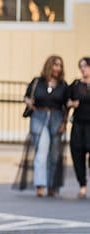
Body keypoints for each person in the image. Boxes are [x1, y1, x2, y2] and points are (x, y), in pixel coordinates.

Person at [16, 54, 69, 198]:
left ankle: (52, 185)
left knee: (54, 155)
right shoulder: (37, 82)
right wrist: (28, 102)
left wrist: (64, 123)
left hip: (56, 118)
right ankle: (40, 184)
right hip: (39, 117)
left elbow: (66, 105)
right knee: (41, 151)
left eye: (60, 65)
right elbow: (27, 96)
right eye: (55, 64)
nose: (57, 68)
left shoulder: (63, 85)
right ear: (49, 65)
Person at [67, 56, 90, 200]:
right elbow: (66, 101)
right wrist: (71, 104)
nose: (83, 69)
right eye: (80, 66)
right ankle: (82, 185)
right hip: (78, 125)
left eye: (85, 66)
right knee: (77, 154)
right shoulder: (75, 85)